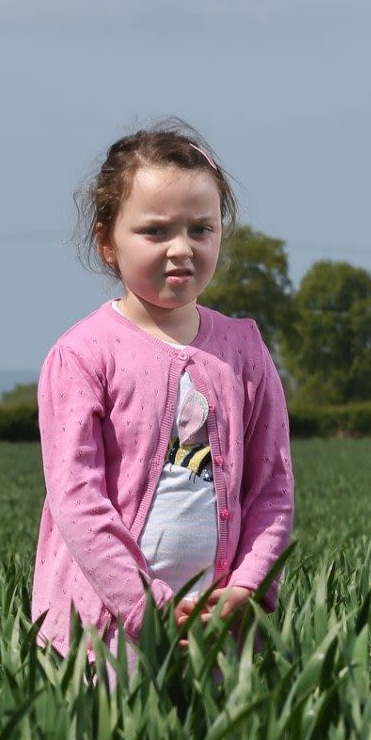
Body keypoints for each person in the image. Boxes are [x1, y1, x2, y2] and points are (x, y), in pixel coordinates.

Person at [33, 125, 295, 664]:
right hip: (105, 629)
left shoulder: (243, 349)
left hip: (219, 623)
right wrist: (145, 605)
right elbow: (78, 502)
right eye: (155, 232)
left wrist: (247, 587)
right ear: (107, 242)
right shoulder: (83, 354)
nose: (182, 249)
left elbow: (272, 487)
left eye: (201, 229)